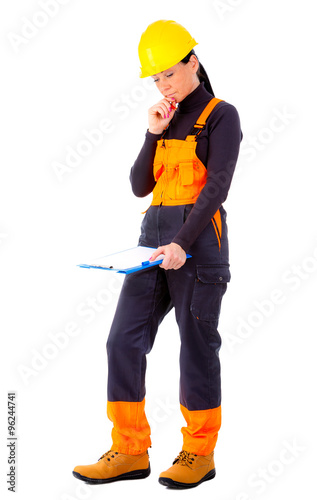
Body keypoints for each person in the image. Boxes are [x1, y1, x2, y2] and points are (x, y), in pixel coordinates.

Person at [73, 19, 242, 489]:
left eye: (168, 73)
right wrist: (152, 132)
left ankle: (198, 453)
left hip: (198, 245)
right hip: (152, 242)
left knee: (196, 346)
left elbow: (217, 188)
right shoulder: (165, 116)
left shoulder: (221, 115)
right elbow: (139, 186)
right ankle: (129, 450)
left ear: (193, 60)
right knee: (122, 340)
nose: (162, 84)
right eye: (155, 78)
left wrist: (182, 244)